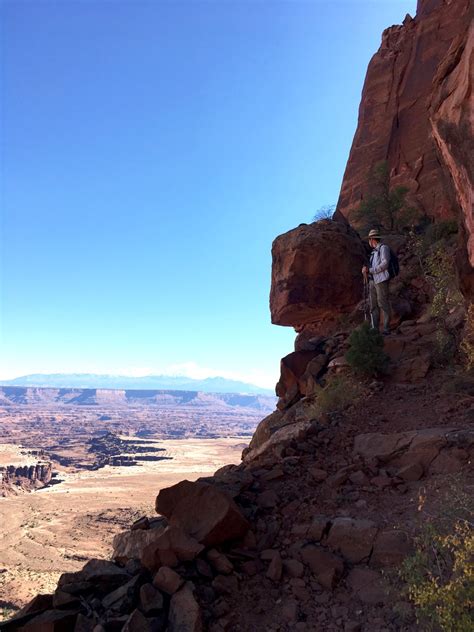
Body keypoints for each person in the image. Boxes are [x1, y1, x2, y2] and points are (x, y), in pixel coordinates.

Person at [362, 229, 391, 335]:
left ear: (373, 239)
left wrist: (371, 270)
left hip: (381, 280)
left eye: (370, 239)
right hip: (372, 281)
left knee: (383, 303)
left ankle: (386, 328)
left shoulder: (383, 248)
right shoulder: (374, 252)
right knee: (373, 305)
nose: (369, 241)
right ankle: (375, 328)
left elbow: (385, 263)